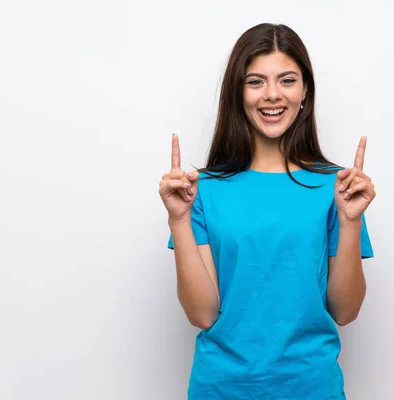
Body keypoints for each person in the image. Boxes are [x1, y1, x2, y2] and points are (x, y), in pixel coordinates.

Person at [159, 22, 376, 400]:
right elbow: (202, 315)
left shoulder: (337, 188)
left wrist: (350, 220)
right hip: (221, 388)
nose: (272, 95)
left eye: (286, 80)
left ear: (304, 90)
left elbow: (345, 311)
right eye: (255, 81)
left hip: (312, 387)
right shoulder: (201, 191)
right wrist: (178, 219)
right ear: (238, 93)